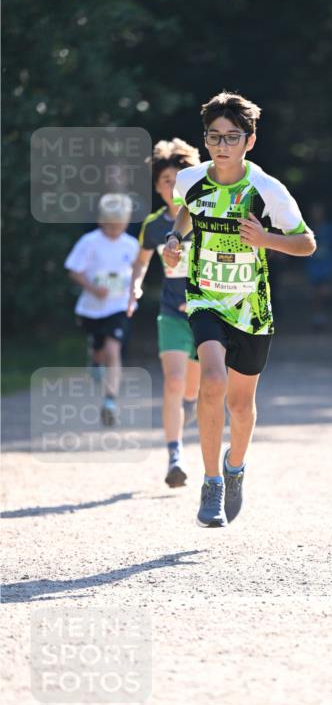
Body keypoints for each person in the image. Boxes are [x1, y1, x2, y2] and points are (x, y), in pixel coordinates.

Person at [162, 90, 316, 528]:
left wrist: (266, 239)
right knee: (211, 379)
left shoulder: (267, 190)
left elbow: (307, 244)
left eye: (232, 137)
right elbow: (186, 215)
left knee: (241, 405)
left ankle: (234, 467)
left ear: (250, 140)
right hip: (205, 297)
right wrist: (175, 241)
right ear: (205, 140)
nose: (222, 146)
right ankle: (210, 481)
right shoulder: (190, 180)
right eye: (214, 137)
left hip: (252, 307)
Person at [128, 138, 202, 488]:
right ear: (157, 188)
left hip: (206, 315)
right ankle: (174, 456)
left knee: (192, 388)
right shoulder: (154, 226)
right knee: (172, 381)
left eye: (177, 180)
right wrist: (135, 287)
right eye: (165, 182)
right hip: (172, 313)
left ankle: (189, 403)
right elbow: (140, 263)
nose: (172, 187)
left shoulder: (205, 218)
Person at [64, 193, 139, 426]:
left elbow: (137, 272)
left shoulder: (132, 245)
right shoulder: (90, 242)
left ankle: (110, 400)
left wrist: (134, 292)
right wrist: (93, 288)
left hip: (118, 306)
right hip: (92, 309)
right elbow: (74, 270)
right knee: (100, 350)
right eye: (110, 225)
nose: (115, 229)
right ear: (101, 221)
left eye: (119, 225)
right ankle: (94, 359)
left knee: (113, 349)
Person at [304, 201, 332, 330]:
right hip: (313, 264)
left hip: (326, 264)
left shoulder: (329, 228)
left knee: (325, 291)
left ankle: (324, 313)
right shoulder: (307, 228)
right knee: (314, 293)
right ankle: (317, 317)